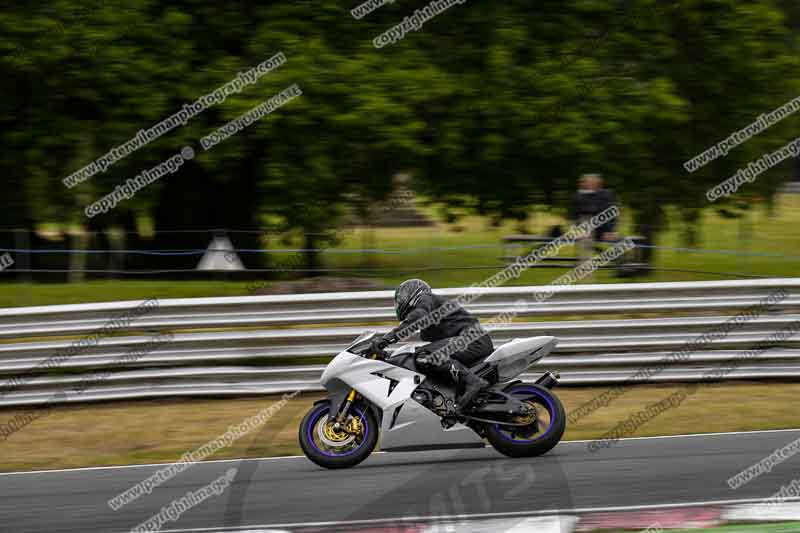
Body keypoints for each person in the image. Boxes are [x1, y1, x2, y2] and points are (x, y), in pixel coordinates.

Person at [369, 279, 494, 413]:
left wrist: (386, 339)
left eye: (402, 296)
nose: (399, 301)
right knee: (418, 357)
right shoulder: (430, 317)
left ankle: (473, 382)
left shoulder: (426, 299)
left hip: (473, 339)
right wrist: (389, 356)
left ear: (414, 291)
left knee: (425, 356)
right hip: (468, 341)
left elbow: (416, 318)